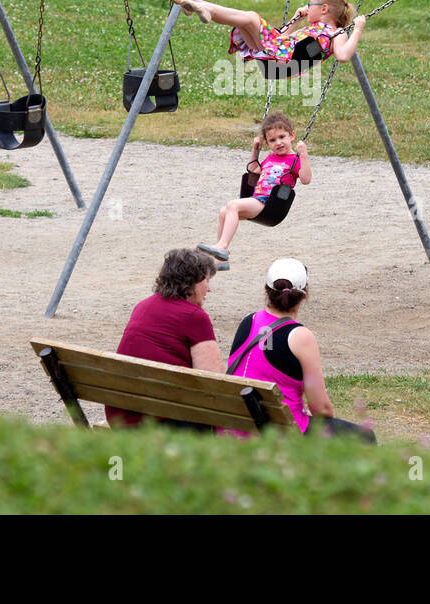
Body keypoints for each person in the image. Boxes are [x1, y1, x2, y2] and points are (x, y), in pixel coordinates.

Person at [224, 257, 375, 442]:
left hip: (237, 426)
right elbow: (322, 409)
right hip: (282, 431)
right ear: (305, 293)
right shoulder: (300, 337)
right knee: (365, 437)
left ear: (267, 289)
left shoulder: (248, 320)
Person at [105, 248, 224, 430]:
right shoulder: (194, 316)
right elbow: (214, 382)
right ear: (192, 283)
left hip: (123, 416)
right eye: (206, 281)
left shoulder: (143, 306)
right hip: (165, 418)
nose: (209, 288)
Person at [196, 112, 311, 269]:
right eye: (272, 140)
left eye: (282, 137)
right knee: (224, 211)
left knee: (232, 205)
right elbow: (253, 169)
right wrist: (255, 148)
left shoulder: (295, 160)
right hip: (258, 200)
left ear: (292, 135)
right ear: (267, 143)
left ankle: (222, 247)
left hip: (270, 204)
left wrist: (303, 155)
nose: (278, 143)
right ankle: (221, 260)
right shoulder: (271, 157)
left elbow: (305, 179)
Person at [169, 0, 367, 70]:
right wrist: (296, 18)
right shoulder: (311, 29)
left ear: (324, 9)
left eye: (310, 4)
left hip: (284, 62)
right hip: (275, 53)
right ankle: (197, 4)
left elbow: (342, 56)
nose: (307, 7)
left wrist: (357, 30)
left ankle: (203, 6)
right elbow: (282, 37)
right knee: (246, 20)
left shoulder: (335, 33)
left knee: (251, 18)